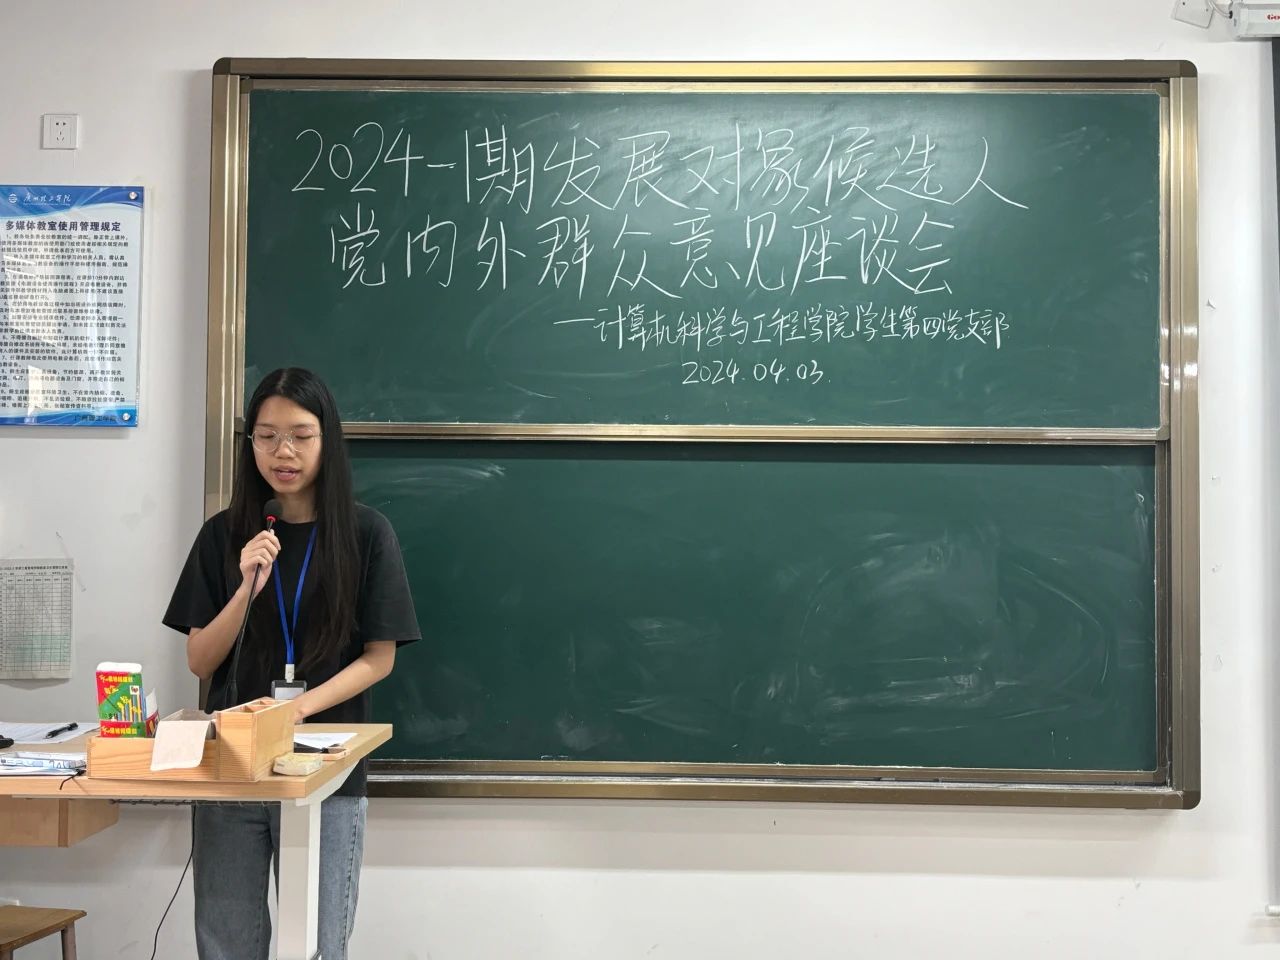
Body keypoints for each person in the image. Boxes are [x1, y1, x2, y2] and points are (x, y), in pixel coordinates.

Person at [163, 367, 420, 960]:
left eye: (301, 435)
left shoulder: (366, 533)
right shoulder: (224, 535)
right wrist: (245, 589)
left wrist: (296, 710)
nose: (284, 452)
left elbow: (379, 658)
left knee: (321, 944)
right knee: (226, 944)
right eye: (267, 436)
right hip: (232, 768)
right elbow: (200, 659)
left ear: (327, 439)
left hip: (326, 769)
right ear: (250, 443)